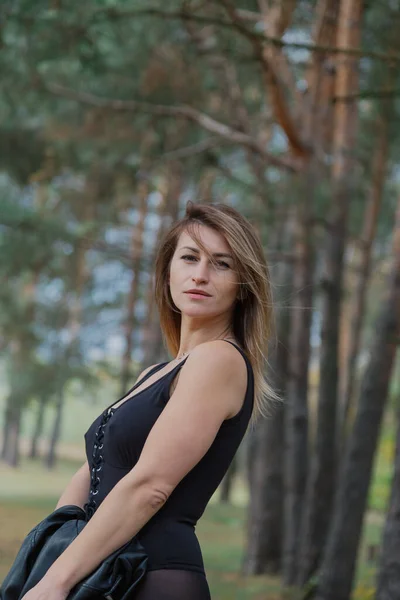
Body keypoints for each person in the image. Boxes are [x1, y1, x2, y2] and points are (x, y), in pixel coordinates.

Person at [20, 201, 276, 600]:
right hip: (102, 570)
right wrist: (46, 562)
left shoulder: (219, 360)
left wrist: (56, 582)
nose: (201, 275)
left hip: (152, 579)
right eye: (189, 258)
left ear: (243, 285)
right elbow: (90, 474)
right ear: (168, 270)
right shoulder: (155, 374)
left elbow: (151, 486)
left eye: (221, 264)